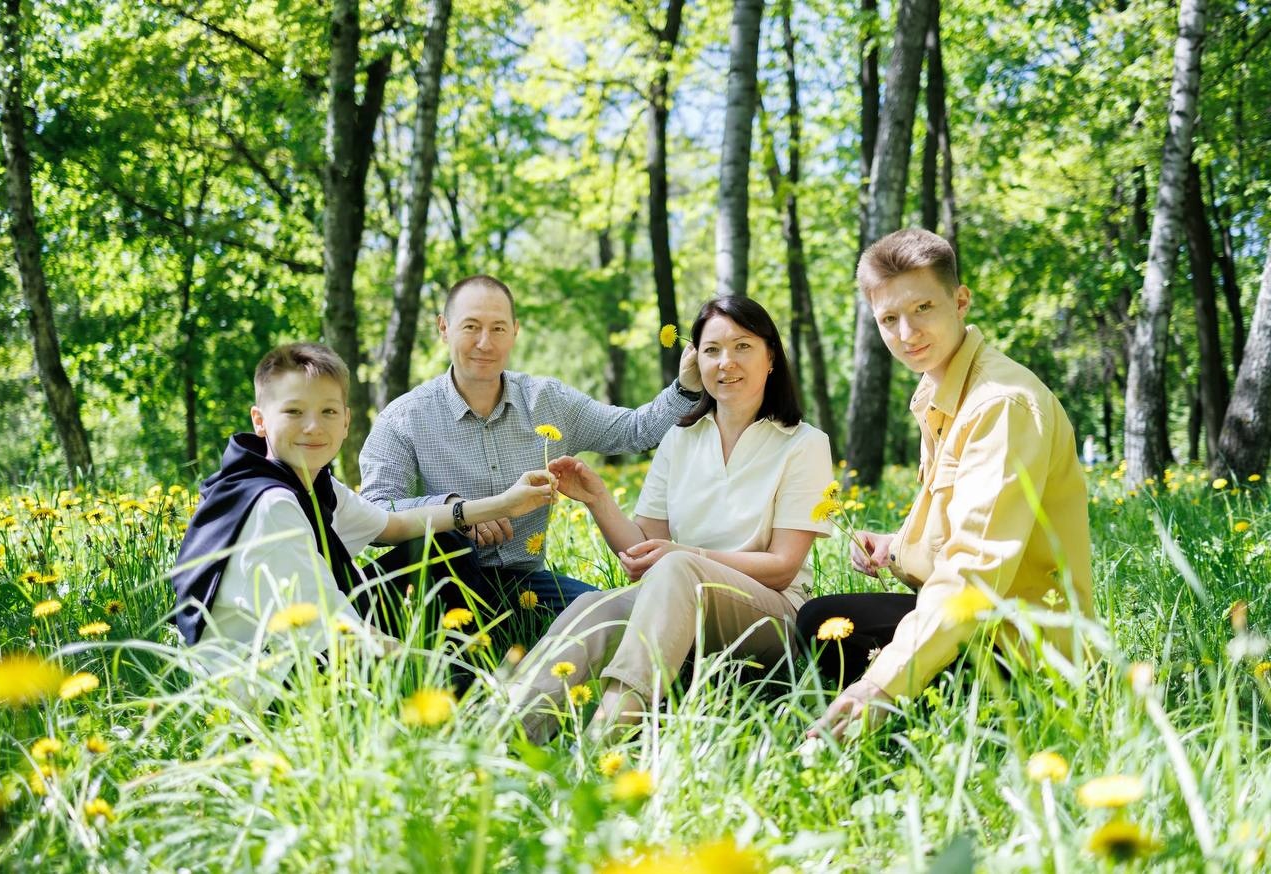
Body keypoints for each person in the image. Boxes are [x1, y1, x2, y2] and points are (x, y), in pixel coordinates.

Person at [797, 228, 1093, 738]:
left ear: (959, 302)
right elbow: (960, 522)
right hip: (979, 624)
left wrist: (881, 685)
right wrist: (894, 548)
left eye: (923, 308)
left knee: (833, 634)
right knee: (821, 620)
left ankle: (931, 715)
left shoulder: (1000, 404)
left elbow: (974, 571)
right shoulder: (940, 391)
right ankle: (914, 708)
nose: (907, 332)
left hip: (1021, 648)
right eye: (889, 319)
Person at [508, 296, 834, 741]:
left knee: (678, 568)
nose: (726, 362)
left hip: (772, 616)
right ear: (697, 361)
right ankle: (498, 739)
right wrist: (598, 500)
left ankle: (605, 743)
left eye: (742, 346)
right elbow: (645, 552)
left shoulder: (803, 443)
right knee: (594, 607)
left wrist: (685, 556)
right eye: (712, 350)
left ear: (771, 357)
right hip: (677, 599)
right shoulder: (680, 439)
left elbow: (782, 568)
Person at [170, 342, 556, 699]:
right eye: (293, 411)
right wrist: (436, 671)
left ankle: (467, 683)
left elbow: (394, 525)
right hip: (270, 688)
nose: (313, 426)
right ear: (260, 420)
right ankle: (470, 702)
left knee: (444, 547)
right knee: (436, 614)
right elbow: (344, 634)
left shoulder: (307, 482)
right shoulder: (272, 505)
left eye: (328, 411)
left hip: (309, 645)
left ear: (345, 421)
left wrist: (502, 505)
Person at [359, 274, 703, 619]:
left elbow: (635, 431)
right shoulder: (404, 418)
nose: (485, 343)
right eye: (471, 327)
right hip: (439, 583)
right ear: (444, 328)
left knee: (616, 619)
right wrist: (456, 510)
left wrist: (686, 386)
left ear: (515, 331)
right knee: (449, 552)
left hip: (524, 584)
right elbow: (374, 514)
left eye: (498, 328)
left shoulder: (548, 401)